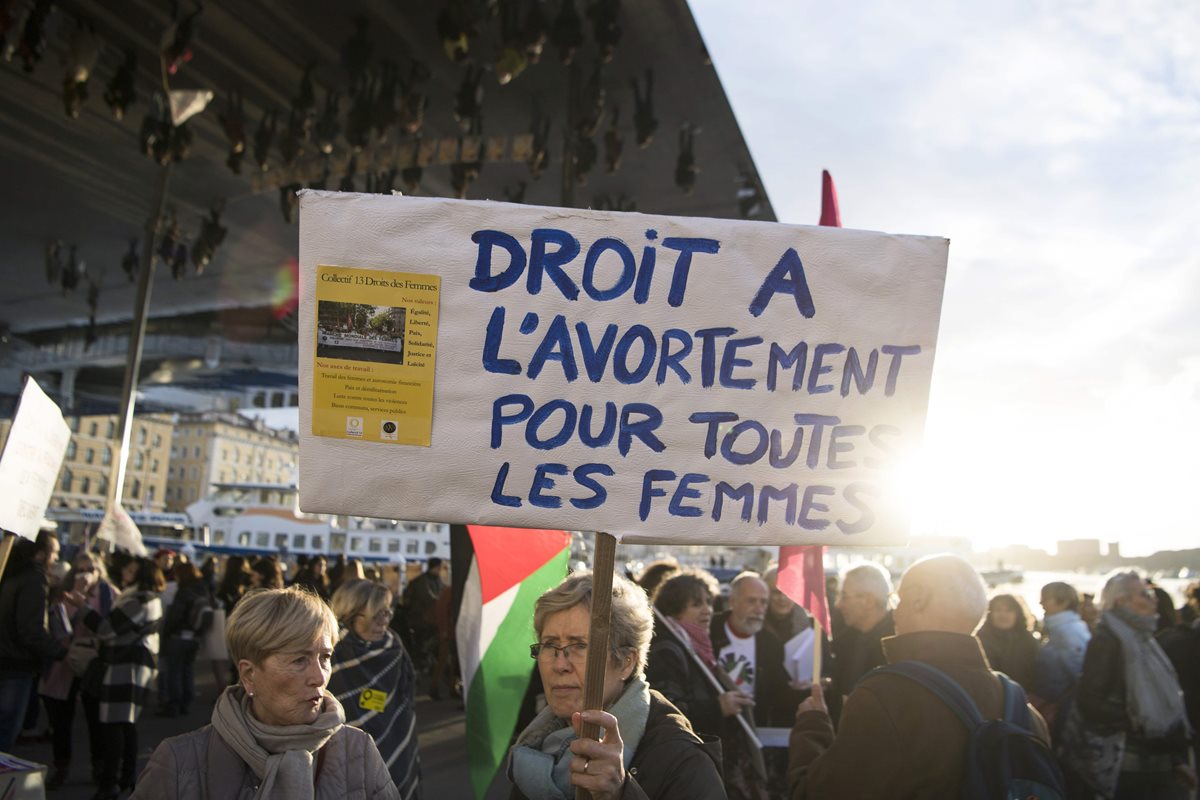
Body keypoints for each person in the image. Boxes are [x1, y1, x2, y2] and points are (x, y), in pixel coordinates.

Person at [787, 554, 1051, 798]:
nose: (895, 611)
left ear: (918, 599)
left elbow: (815, 793)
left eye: (898, 600)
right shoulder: (1024, 711)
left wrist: (813, 725)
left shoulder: (884, 697)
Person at [132, 586, 399, 799]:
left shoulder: (359, 751)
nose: (319, 677)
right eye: (299, 660)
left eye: (325, 657)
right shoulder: (178, 762)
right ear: (249, 674)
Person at [508, 571, 725, 800]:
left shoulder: (680, 757)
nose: (560, 664)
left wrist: (622, 793)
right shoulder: (533, 748)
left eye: (581, 646)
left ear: (626, 663)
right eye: (550, 645)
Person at [1065, 570, 1195, 799]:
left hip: (1157, 761)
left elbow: (1165, 707)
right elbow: (1090, 702)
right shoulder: (1108, 641)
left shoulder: (1145, 639)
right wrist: (1136, 722)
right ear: (1121, 601)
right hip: (1126, 767)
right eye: (1144, 594)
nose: (1153, 599)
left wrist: (1176, 760)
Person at [80, 556, 165, 799]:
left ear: (141, 575)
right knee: (125, 725)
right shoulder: (143, 597)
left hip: (127, 666)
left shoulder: (140, 599)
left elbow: (108, 630)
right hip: (133, 664)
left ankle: (112, 782)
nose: (125, 572)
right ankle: (125, 779)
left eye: (130, 570)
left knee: (116, 725)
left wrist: (83, 609)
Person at [329, 579, 422, 799]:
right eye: (375, 615)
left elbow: (404, 696)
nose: (384, 622)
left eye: (387, 613)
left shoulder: (393, 646)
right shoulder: (332, 655)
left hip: (396, 737)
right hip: (345, 755)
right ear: (350, 616)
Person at [710, 571, 798, 800]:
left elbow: (778, 692)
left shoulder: (770, 643)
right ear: (732, 601)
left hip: (751, 734)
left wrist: (802, 690)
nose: (759, 608)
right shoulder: (710, 631)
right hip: (712, 733)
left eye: (763, 602)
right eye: (751, 601)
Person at [647, 568, 751, 738]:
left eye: (709, 602)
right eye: (696, 604)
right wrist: (718, 708)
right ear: (674, 609)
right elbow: (666, 712)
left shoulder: (697, 647)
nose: (707, 610)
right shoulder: (666, 652)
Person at [0, 531, 66, 751]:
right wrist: (61, 652)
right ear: (40, 554)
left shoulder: (9, 572)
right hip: (16, 664)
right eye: (54, 552)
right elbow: (31, 630)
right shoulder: (33, 578)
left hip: (8, 659)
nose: (56, 558)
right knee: (4, 734)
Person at [828, 563, 894, 711]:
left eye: (844, 596)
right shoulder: (844, 642)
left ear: (868, 601)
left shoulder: (898, 646)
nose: (838, 604)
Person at [1034, 580, 1090, 734]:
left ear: (1064, 602)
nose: (1041, 603)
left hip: (1062, 711)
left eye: (1046, 598)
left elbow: (1079, 674)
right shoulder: (1063, 629)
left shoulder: (1068, 633)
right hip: (1056, 707)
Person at [160, 562, 212, 716]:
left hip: (179, 636)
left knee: (174, 671)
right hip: (195, 637)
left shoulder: (183, 592)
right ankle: (186, 702)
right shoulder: (203, 590)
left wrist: (167, 632)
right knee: (188, 669)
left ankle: (174, 704)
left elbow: (175, 616)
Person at [763, 565, 823, 690]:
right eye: (776, 592)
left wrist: (815, 683)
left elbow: (827, 669)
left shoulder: (813, 626)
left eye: (788, 592)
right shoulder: (755, 626)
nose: (782, 598)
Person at [976, 593, 1039, 692]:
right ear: (989, 614)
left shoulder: (1029, 641)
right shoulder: (979, 640)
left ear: (1017, 614)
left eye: (1008, 610)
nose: (1003, 614)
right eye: (998, 610)